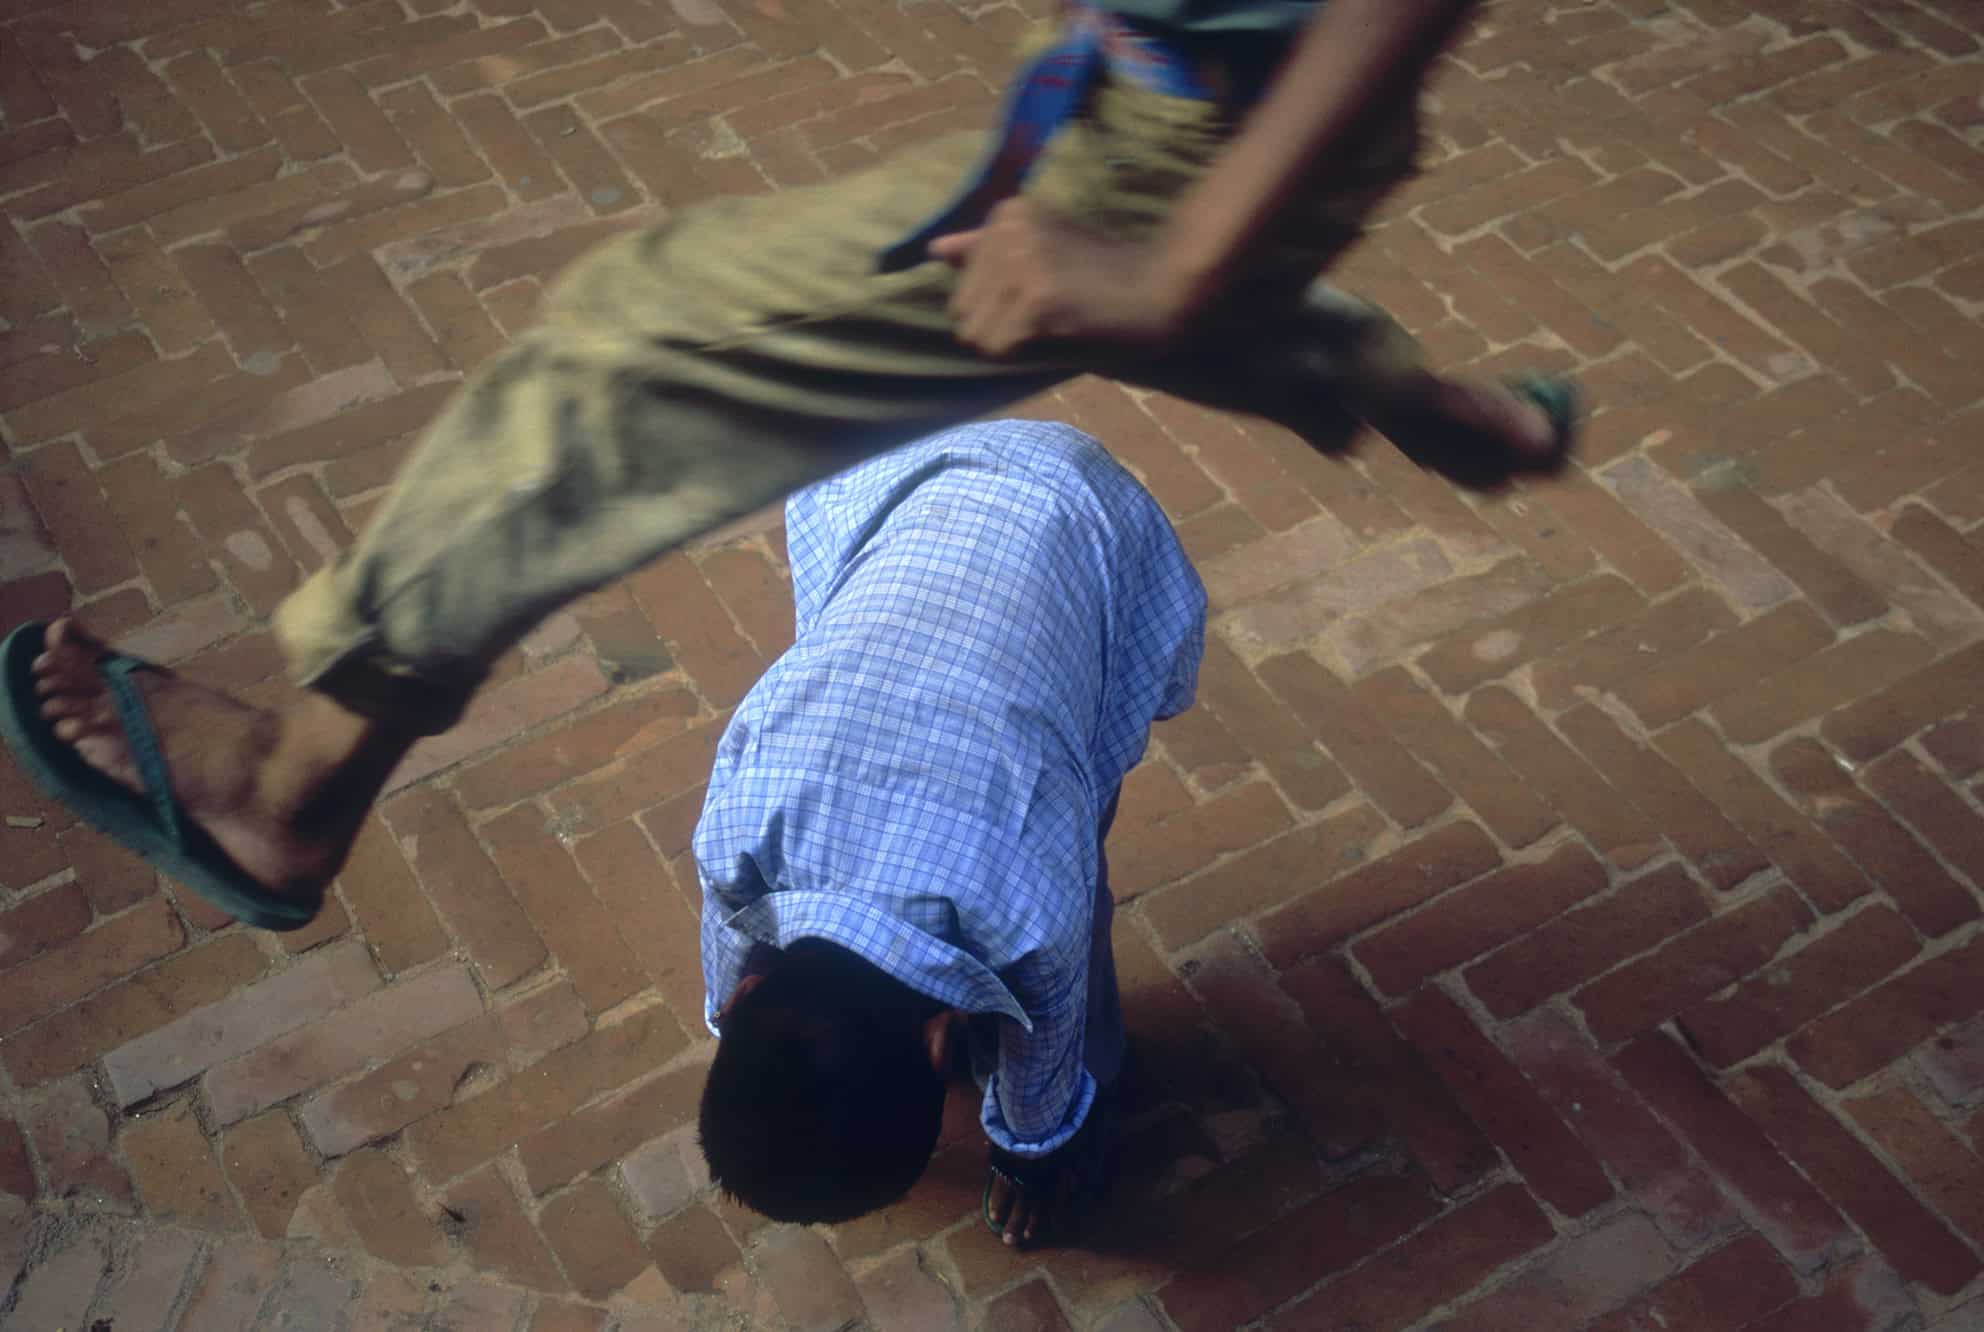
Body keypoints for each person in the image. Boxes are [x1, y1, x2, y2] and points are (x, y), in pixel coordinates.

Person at [2, 5, 1574, 956]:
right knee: (1068, 273)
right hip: (1156, 91)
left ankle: (294, 794)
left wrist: (1172, 277)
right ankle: (1439, 411)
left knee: (619, 358)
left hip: (1194, 135)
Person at [694, 419, 1204, 1247]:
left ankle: (1101, 1092)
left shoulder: (1032, 901)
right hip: (912, 487)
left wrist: (1035, 1149)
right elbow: (729, 949)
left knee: (1078, 923)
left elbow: (1048, 1021)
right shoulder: (739, 826)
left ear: (942, 1043)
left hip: (1080, 521)